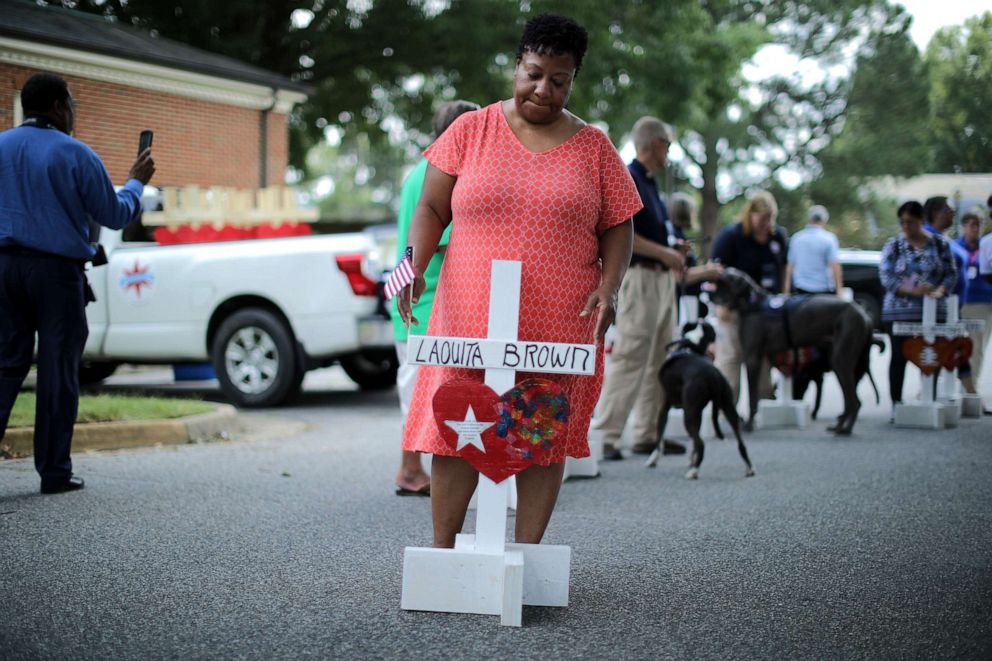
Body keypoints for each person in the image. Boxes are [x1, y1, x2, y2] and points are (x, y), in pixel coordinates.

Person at [396, 14, 642, 548]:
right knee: (453, 426)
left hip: (558, 318)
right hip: (469, 309)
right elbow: (432, 207)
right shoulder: (470, 131)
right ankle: (443, 554)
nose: (543, 89)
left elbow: (620, 225)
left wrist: (611, 287)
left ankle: (527, 556)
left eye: (560, 79)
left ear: (575, 77)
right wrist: (412, 264)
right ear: (516, 65)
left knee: (541, 431)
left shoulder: (594, 148)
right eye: (533, 73)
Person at [0, 73, 154, 494]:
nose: (73, 114)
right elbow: (115, 214)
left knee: (4, 366)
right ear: (56, 106)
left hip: (4, 269)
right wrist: (137, 180)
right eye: (71, 105)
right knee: (57, 370)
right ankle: (54, 472)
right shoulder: (76, 154)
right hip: (56, 275)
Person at [592, 118, 722, 461]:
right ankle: (606, 434)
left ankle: (647, 433)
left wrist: (672, 246)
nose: (669, 150)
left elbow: (655, 232)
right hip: (640, 277)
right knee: (632, 355)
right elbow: (621, 233)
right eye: (666, 143)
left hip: (663, 280)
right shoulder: (628, 176)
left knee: (660, 359)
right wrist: (664, 251)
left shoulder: (652, 184)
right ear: (651, 144)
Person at [391, 99, 480, 496]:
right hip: (425, 302)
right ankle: (410, 470)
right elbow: (442, 243)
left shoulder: (419, 171)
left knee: (413, 387)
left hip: (408, 295)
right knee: (420, 390)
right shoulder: (441, 172)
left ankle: (411, 468)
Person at [878, 201, 957, 416]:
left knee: (932, 353)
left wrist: (940, 291)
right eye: (902, 222)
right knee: (898, 357)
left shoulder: (940, 245)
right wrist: (912, 291)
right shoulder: (894, 246)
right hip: (899, 311)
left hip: (932, 311)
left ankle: (928, 397)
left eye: (910, 222)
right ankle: (896, 404)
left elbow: (951, 273)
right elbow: (886, 276)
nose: (906, 226)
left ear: (921, 220)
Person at [709, 191, 788, 403]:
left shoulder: (777, 236)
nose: (766, 223)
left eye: (770, 217)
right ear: (751, 214)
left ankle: (764, 403)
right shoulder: (732, 236)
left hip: (764, 309)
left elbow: (785, 269)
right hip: (733, 306)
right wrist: (722, 302)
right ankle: (727, 407)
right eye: (762, 217)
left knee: (761, 355)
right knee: (731, 355)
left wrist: (784, 295)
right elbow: (715, 270)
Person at [923, 196, 972, 392]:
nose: (953, 214)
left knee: (954, 348)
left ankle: (968, 392)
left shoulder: (943, 238)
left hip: (954, 305)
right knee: (949, 348)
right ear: (935, 213)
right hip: (940, 306)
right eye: (948, 210)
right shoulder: (928, 237)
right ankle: (970, 392)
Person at [957, 208, 992, 412]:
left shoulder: (985, 245)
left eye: (978, 224)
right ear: (964, 226)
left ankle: (969, 390)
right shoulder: (958, 248)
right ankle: (970, 393)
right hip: (970, 301)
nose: (975, 229)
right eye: (972, 224)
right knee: (972, 347)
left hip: (988, 299)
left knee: (979, 348)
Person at [783, 204, 843, 296]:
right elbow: (835, 266)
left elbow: (790, 266)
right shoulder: (829, 239)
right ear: (824, 220)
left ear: (809, 218)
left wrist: (786, 292)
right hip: (823, 290)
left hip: (801, 290)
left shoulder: (796, 238)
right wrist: (839, 292)